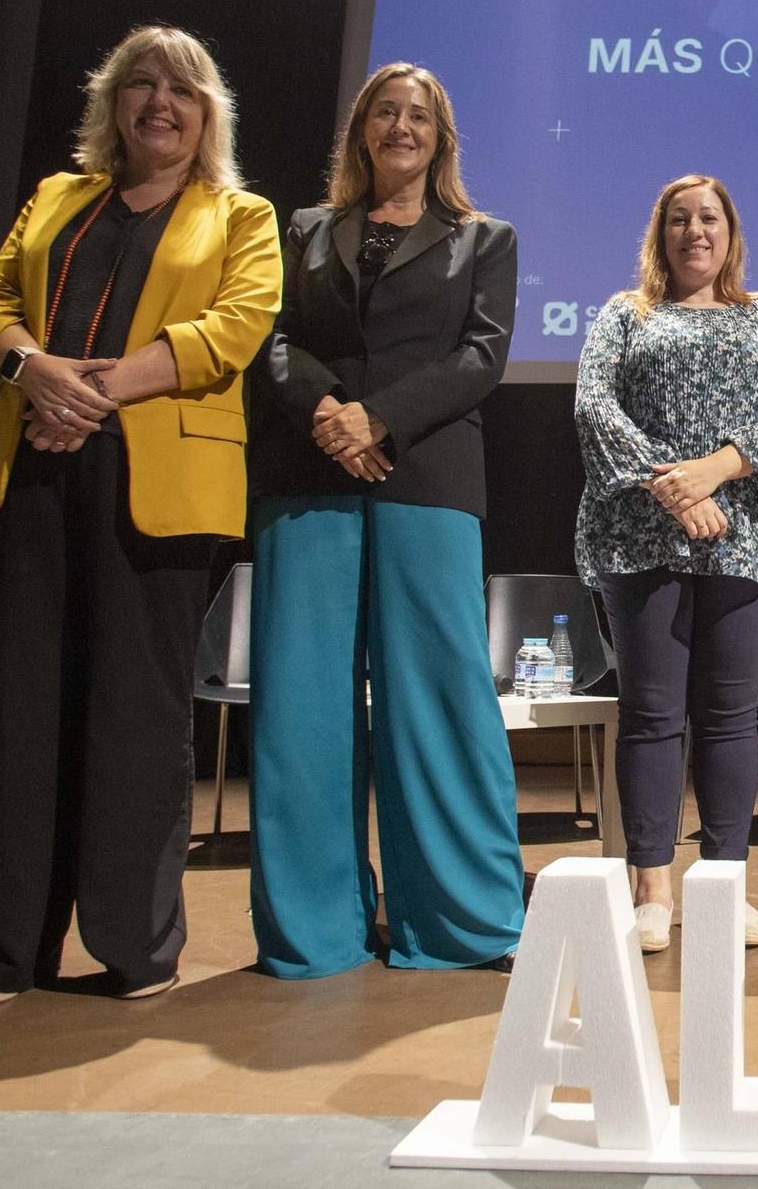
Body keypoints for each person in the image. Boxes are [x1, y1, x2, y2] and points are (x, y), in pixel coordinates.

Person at [0, 25, 281, 1009]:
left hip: (159, 489)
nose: (158, 103)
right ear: (111, 105)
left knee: (138, 718)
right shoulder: (57, 199)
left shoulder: (240, 214)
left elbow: (235, 327)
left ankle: (137, 947)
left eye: (179, 89)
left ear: (205, 111)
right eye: (140, 85)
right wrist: (32, 368)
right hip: (38, 471)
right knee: (24, 711)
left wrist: (95, 390)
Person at [245, 63, 524, 977]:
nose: (401, 126)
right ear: (361, 129)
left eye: (420, 116)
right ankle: (315, 932)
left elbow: (481, 357)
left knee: (439, 701)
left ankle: (460, 923)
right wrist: (330, 412)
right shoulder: (303, 229)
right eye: (385, 111)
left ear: (441, 138)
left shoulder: (483, 238)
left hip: (427, 478)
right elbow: (270, 337)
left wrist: (381, 420)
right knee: (303, 707)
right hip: (307, 471)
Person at [574, 174, 758, 953]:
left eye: (708, 218)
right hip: (640, 538)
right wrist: (674, 489)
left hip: (747, 538)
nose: (694, 232)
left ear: (731, 233)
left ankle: (723, 884)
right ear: (660, 233)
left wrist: (716, 471)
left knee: (728, 716)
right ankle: (652, 888)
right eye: (679, 220)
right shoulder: (625, 313)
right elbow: (593, 406)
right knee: (650, 715)